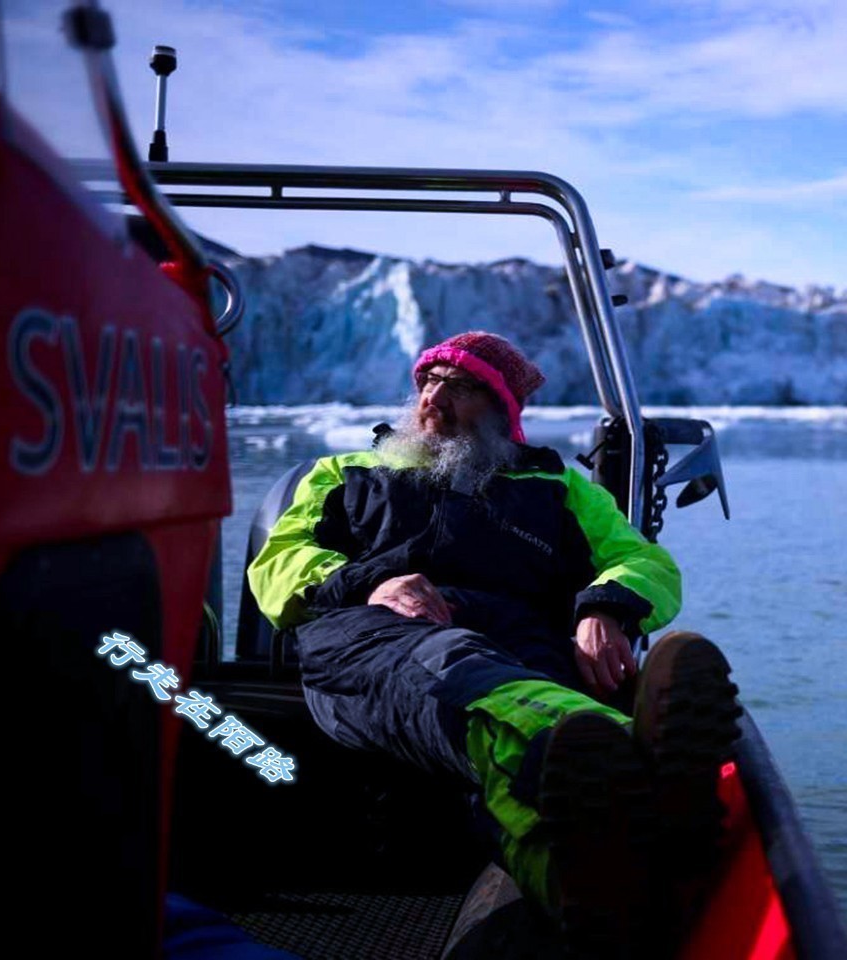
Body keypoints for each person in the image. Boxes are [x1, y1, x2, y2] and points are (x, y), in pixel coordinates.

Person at [245, 331, 741, 956]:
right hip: (372, 638)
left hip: (521, 648)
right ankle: (624, 752)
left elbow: (642, 561)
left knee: (514, 740)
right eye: (428, 381)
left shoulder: (557, 486)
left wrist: (607, 609)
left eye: (463, 386)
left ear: (503, 411)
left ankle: (575, 882)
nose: (435, 396)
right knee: (453, 668)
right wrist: (375, 581)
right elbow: (279, 562)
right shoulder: (346, 475)